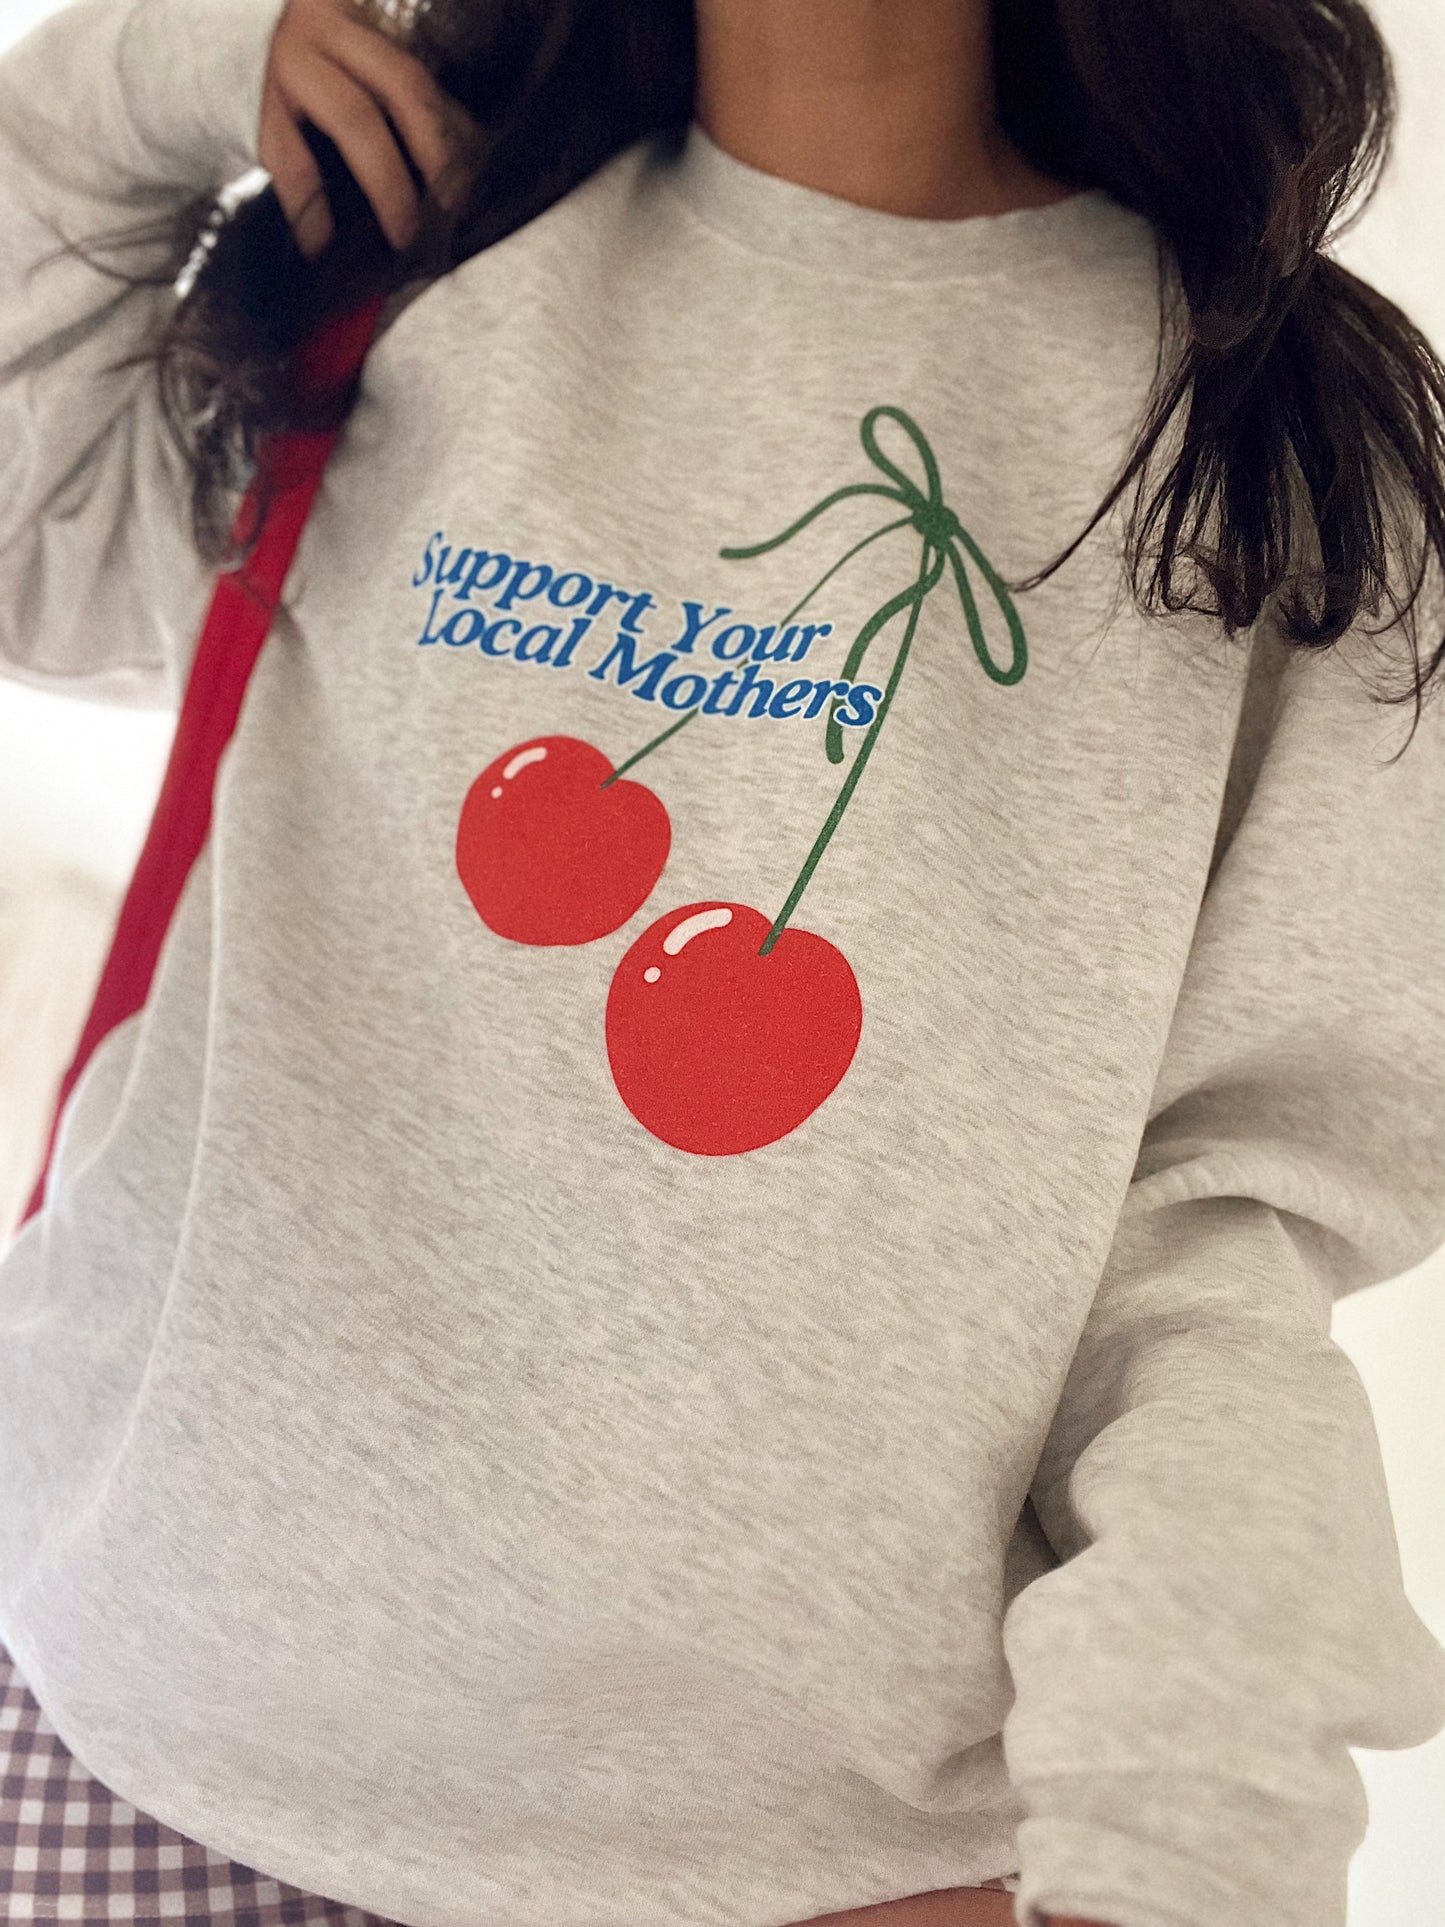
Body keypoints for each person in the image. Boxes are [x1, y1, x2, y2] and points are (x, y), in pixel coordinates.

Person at [1, 0, 1443, 1924]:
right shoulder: (421, 263)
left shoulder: (1280, 454)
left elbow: (1219, 1241)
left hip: (790, 1871)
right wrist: (162, 78)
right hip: (136, 1730)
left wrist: (1177, 1845)